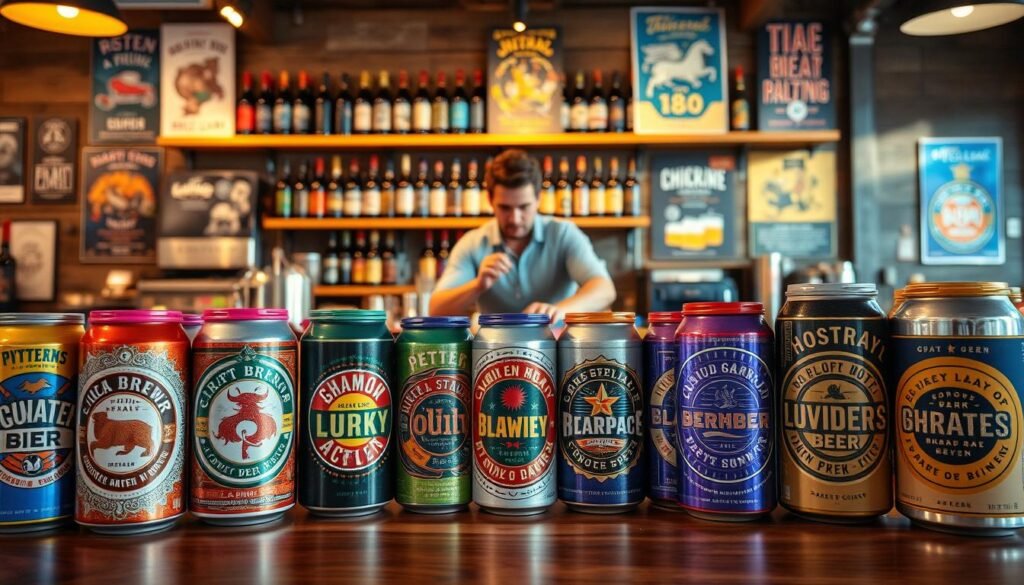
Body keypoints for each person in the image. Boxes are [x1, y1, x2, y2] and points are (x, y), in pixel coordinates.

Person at [429, 149, 616, 322]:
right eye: (505, 208)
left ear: (538, 199)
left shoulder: (563, 233)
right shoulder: (473, 243)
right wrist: (477, 285)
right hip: (495, 351)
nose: (515, 219)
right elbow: (436, 309)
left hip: (555, 345)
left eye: (524, 207)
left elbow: (605, 289)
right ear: (490, 200)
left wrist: (558, 310)